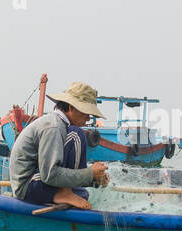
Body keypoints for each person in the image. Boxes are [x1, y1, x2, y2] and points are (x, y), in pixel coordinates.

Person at [9, 81, 110, 210]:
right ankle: (65, 192)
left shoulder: (60, 125)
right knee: (76, 135)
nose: (88, 118)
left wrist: (95, 178)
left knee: (83, 194)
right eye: (85, 112)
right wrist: (90, 173)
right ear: (70, 107)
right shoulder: (54, 127)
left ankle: (66, 192)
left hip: (38, 183)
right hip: (28, 186)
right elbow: (50, 174)